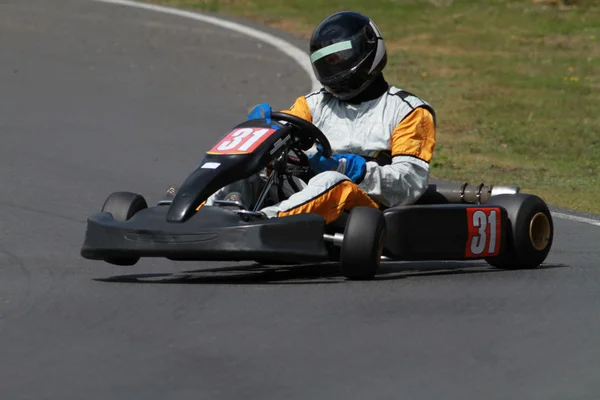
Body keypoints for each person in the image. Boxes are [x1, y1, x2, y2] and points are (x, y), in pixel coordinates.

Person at [206, 11, 436, 223]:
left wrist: (352, 169)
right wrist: (262, 129)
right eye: (326, 60)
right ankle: (206, 212)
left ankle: (263, 223)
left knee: (331, 182)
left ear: (366, 49)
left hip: (366, 205)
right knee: (248, 163)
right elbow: (282, 128)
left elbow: (410, 183)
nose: (332, 65)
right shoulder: (313, 104)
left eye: (339, 57)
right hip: (306, 194)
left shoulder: (409, 111)